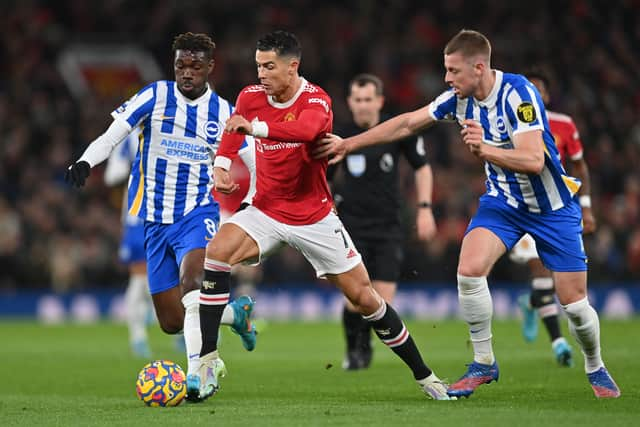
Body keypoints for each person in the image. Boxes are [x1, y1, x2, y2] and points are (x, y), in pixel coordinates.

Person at [314, 29, 620, 399]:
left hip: (553, 209)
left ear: (478, 68)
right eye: (446, 70)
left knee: (573, 303)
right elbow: (408, 122)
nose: (446, 78)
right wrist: (350, 143)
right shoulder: (458, 99)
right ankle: (484, 362)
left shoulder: (519, 95)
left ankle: (594, 364)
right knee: (469, 269)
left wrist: (485, 150)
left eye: (453, 71)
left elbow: (534, 160)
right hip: (504, 204)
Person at [197, 30, 452, 401]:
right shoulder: (251, 97)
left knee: (366, 299)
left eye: (269, 67)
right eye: (258, 66)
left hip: (313, 215)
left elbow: (305, 130)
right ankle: (207, 360)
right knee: (216, 253)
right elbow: (234, 130)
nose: (261, 74)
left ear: (292, 67)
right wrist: (221, 164)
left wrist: (256, 128)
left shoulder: (317, 100)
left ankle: (426, 376)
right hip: (265, 209)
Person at [65, 32, 258, 402]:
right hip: (153, 221)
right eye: (181, 65)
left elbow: (253, 162)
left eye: (195, 66)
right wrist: (86, 160)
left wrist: (250, 203)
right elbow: (114, 133)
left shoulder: (223, 112)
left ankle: (199, 376)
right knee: (172, 321)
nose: (187, 73)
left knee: (194, 283)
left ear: (209, 68)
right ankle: (236, 315)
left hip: (196, 214)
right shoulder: (155, 96)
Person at [328, 73, 437, 370]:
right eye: (358, 100)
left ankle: (363, 347)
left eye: (368, 100)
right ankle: (356, 351)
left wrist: (425, 208)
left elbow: (422, 168)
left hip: (389, 225)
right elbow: (322, 179)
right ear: (350, 102)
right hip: (350, 226)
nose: (363, 106)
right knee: (355, 298)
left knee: (382, 297)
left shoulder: (395, 130)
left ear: (379, 101)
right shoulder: (340, 135)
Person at [510, 67, 597, 367]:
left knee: (555, 280)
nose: (533, 94)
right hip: (521, 208)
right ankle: (559, 343)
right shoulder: (510, 122)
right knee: (539, 270)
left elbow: (580, 166)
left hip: (556, 209)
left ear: (545, 95)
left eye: (539, 89)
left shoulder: (563, 124)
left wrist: (586, 206)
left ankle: (532, 303)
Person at [104, 130, 154, 358]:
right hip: (140, 212)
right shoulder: (131, 134)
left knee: (176, 272)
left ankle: (181, 331)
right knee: (141, 275)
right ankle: (138, 336)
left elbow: (113, 175)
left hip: (172, 210)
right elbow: (112, 175)